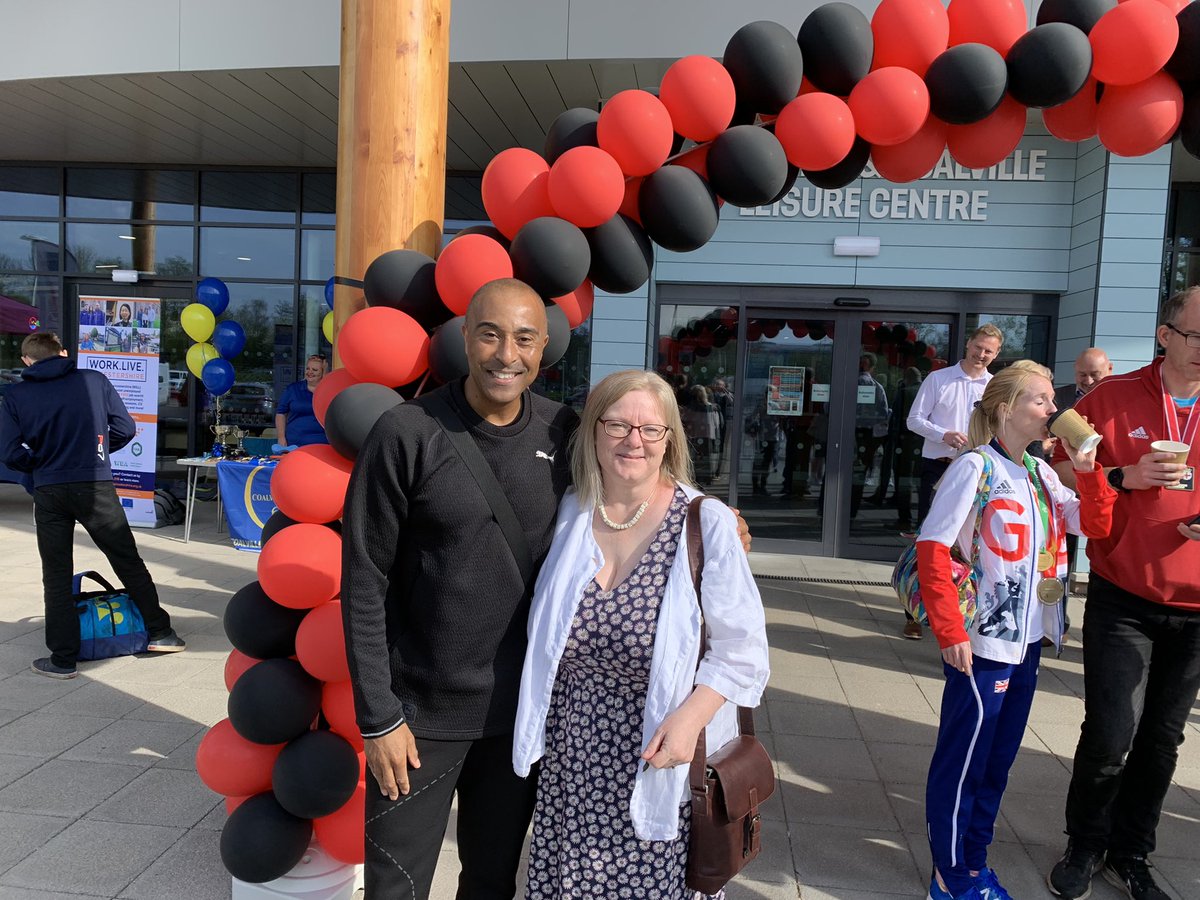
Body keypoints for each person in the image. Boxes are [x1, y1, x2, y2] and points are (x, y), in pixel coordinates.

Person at [513, 370, 770, 899]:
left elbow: (743, 651)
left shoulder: (707, 524)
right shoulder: (571, 512)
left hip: (658, 755)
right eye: (617, 425)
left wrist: (690, 721)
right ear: (592, 434)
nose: (634, 440)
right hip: (571, 761)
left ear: (669, 439)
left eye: (651, 429)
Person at [917, 363, 1114, 900]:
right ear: (1007, 408)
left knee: (997, 764)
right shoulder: (975, 467)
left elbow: (1094, 525)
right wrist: (949, 629)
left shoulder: (1040, 472)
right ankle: (951, 875)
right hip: (981, 645)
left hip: (1028, 642)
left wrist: (1089, 467)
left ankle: (973, 862)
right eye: (1042, 400)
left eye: (1052, 401)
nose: (1054, 409)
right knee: (965, 763)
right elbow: (932, 547)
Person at [1046, 290, 1200, 900]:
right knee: (1112, 731)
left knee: (1163, 737)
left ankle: (1132, 852)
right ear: (1166, 335)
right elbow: (1056, 467)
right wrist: (1121, 475)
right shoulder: (1108, 399)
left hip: (1196, 607)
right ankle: (1086, 843)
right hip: (1124, 594)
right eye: (1198, 339)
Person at [0, 332, 185, 679]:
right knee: (126, 560)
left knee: (55, 574)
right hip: (95, 483)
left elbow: (8, 452)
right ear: (64, 353)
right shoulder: (93, 380)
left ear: (27, 360)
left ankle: (63, 659)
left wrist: (40, 464)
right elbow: (126, 428)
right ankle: (161, 633)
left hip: (50, 488)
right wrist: (95, 455)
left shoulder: (16, 394)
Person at [902, 324, 1004, 639]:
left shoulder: (994, 386)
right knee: (930, 538)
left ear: (996, 354)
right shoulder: (939, 379)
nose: (982, 355)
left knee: (969, 542)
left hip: (978, 471)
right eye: (978, 348)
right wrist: (943, 435)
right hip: (939, 466)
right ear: (968, 344)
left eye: (989, 351)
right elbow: (913, 420)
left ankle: (964, 609)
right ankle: (915, 612)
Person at [274, 354, 329, 448]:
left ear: (323, 372)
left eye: (315, 370)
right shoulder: (292, 389)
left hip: (322, 443)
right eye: (308, 368)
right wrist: (281, 437)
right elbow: (280, 413)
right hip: (294, 443)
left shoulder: (329, 391)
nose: (310, 372)